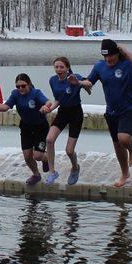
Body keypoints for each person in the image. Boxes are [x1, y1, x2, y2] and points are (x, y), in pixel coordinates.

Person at [75, 39, 132, 188]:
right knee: (117, 145)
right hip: (111, 111)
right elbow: (90, 82)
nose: (108, 59)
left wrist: (126, 52)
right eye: (105, 57)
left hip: (129, 108)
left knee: (124, 138)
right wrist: (79, 83)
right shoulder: (100, 66)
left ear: (117, 53)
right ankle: (125, 174)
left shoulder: (126, 64)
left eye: (111, 56)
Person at [0, 72, 51, 186]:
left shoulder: (36, 93)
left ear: (29, 84)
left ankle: (45, 158)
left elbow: (48, 102)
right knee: (28, 156)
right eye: (18, 86)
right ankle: (36, 175)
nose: (20, 88)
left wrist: (45, 107)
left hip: (40, 127)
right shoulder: (15, 94)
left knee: (37, 156)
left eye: (23, 86)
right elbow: (5, 107)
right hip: (26, 127)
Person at [41, 56, 90, 185]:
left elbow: (89, 84)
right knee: (49, 139)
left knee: (69, 150)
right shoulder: (52, 80)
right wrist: (49, 108)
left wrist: (78, 83)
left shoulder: (74, 76)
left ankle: (75, 167)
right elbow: (58, 99)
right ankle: (52, 172)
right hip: (63, 112)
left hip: (75, 113)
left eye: (61, 67)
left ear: (67, 68)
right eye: (56, 67)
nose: (58, 69)